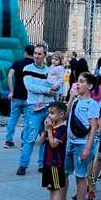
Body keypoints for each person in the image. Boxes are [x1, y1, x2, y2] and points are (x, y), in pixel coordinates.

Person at [61, 72, 100, 200]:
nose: (78, 84)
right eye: (78, 81)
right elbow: (64, 116)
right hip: (70, 143)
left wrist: (87, 149)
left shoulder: (92, 105)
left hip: (82, 144)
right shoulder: (76, 101)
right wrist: (71, 97)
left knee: (80, 177)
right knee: (64, 172)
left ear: (89, 86)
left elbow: (93, 128)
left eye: (82, 82)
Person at [17, 44, 58, 176]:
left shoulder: (50, 71)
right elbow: (30, 86)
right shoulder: (27, 68)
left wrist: (50, 90)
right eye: (35, 53)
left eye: (40, 54)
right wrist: (47, 90)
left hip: (48, 107)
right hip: (33, 107)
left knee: (46, 137)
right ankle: (23, 165)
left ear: (45, 55)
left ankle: (42, 164)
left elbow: (55, 87)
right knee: (30, 137)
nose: (36, 56)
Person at [40, 101, 69, 200]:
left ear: (61, 114)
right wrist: (46, 130)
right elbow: (42, 141)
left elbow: (53, 144)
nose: (49, 116)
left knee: (56, 188)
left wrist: (49, 130)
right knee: (51, 188)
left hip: (55, 163)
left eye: (52, 113)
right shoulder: (52, 127)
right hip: (47, 161)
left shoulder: (62, 129)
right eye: (49, 113)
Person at [5, 45, 33, 148]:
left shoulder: (17, 63)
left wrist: (11, 91)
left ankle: (8, 140)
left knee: (13, 118)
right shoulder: (34, 65)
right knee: (27, 120)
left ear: (25, 52)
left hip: (16, 95)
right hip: (29, 97)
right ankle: (24, 142)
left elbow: (10, 75)